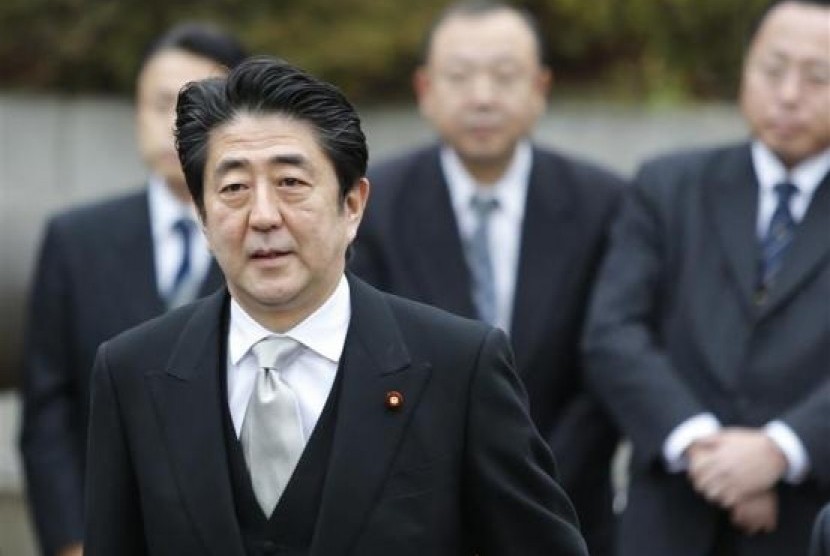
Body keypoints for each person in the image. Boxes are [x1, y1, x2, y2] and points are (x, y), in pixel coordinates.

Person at [82, 56, 589, 556]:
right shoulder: (133, 372)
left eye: (291, 183)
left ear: (352, 205)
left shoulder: (459, 366)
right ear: (203, 216)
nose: (262, 216)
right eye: (234, 188)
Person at [348, 2, 623, 553]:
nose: (482, 96)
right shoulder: (370, 202)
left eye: (504, 76)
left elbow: (607, 362)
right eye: (459, 76)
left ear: (540, 86)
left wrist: (532, 481)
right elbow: (369, 361)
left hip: (569, 511)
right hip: (415, 511)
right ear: (425, 89)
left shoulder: (604, 202)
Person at [582, 1, 830, 554]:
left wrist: (781, 451)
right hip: (670, 514)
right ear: (744, 71)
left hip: (809, 519)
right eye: (772, 69)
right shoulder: (668, 187)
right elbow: (613, 333)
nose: (789, 94)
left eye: (818, 78)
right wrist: (703, 448)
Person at [19, 23, 247, 556]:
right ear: (136, 114)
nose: (177, 125)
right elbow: (49, 411)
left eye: (202, 104)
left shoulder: (272, 240)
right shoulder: (76, 240)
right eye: (163, 103)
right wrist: (73, 540)